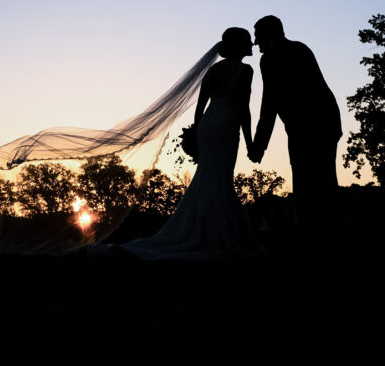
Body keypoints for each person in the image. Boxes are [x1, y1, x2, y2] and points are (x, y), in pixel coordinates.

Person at [87, 27, 264, 259]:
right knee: (220, 177)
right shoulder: (246, 70)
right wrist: (250, 142)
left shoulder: (212, 71)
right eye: (247, 41)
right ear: (239, 45)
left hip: (208, 125)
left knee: (208, 176)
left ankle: (204, 229)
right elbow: (244, 109)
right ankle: (217, 234)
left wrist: (196, 134)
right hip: (227, 124)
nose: (251, 44)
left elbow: (200, 108)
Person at [248, 16, 342, 249]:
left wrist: (259, 144)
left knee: (310, 180)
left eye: (258, 35)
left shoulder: (271, 58)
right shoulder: (300, 48)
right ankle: (325, 236)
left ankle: (317, 238)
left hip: (310, 125)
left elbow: (269, 102)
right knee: (320, 179)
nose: (255, 41)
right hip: (322, 123)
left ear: (270, 33)